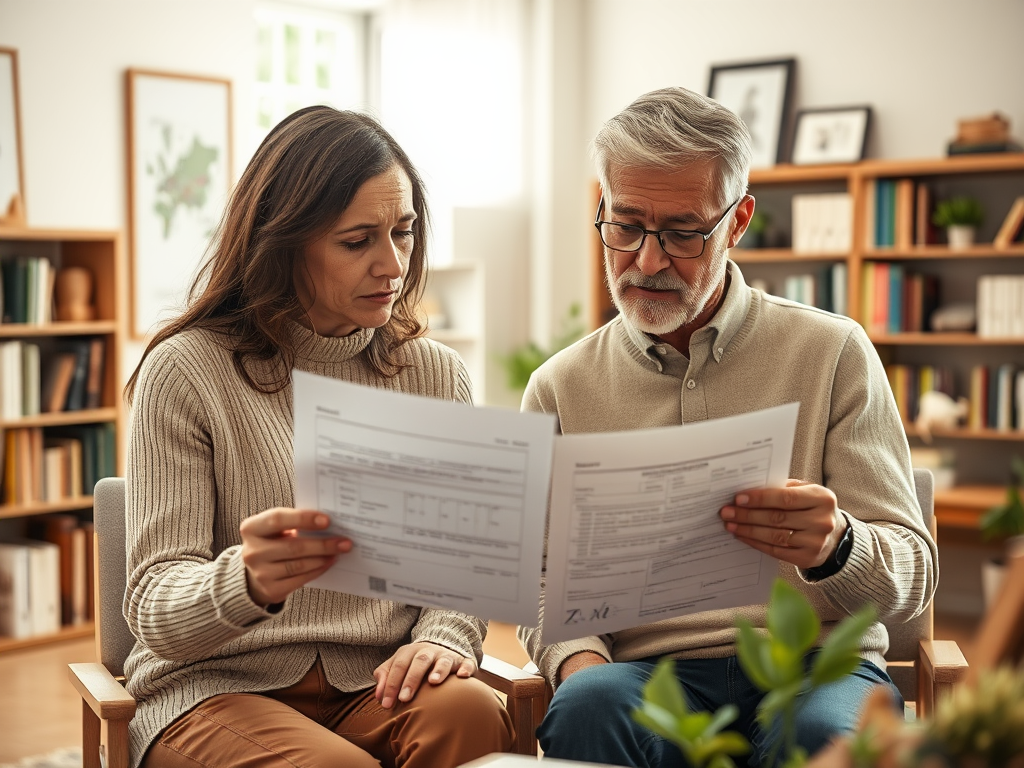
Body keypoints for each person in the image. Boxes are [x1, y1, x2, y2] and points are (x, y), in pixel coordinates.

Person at [517, 87, 938, 767]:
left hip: (815, 665)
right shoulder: (560, 387)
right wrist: (577, 660)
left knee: (830, 737)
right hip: (646, 674)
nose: (647, 262)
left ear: (737, 220)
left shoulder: (832, 352)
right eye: (624, 225)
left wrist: (837, 545)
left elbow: (913, 574)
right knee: (587, 708)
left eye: (683, 232)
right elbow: (536, 577)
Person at [122, 106, 513, 768]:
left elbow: (459, 574)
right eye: (357, 241)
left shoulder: (436, 375)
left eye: (404, 231)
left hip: (379, 681)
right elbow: (153, 604)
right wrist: (245, 581)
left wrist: (447, 636)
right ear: (282, 243)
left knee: (473, 712)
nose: (392, 264)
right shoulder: (185, 371)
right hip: (215, 690)